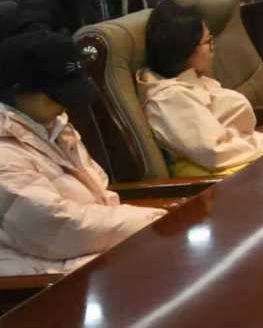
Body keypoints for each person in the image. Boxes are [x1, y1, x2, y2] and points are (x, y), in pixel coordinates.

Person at [0, 30, 164, 275]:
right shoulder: (5, 152)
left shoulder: (53, 127)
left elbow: (100, 194)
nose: (64, 105)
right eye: (56, 96)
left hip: (89, 252)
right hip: (41, 278)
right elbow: (55, 225)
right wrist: (149, 221)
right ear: (17, 91)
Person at [136, 0, 263, 176]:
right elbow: (216, 152)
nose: (213, 48)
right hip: (222, 178)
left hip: (241, 156)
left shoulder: (189, 81)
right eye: (208, 41)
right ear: (184, 48)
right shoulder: (169, 98)